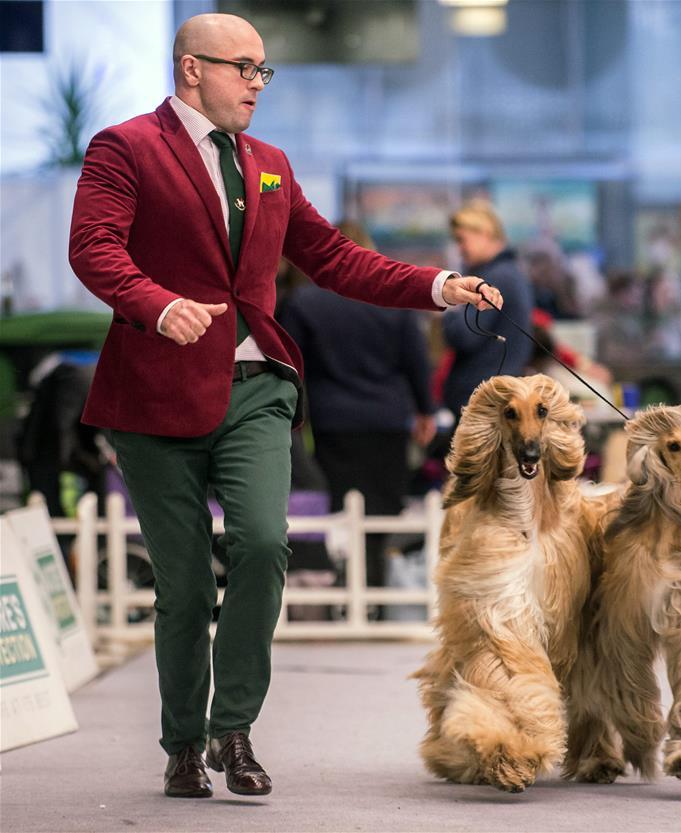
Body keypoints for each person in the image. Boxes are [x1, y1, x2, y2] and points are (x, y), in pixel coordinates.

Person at [68, 13, 502, 800]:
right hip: (154, 397)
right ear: (191, 68)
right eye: (244, 68)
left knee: (265, 544)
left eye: (265, 71)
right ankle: (183, 743)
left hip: (258, 389)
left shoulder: (270, 165)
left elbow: (334, 258)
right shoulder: (124, 147)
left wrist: (436, 286)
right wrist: (157, 304)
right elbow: (94, 246)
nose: (257, 85)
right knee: (186, 585)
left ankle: (235, 728)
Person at [278, 220, 437, 601]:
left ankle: (344, 602)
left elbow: (288, 363)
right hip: (387, 421)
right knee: (380, 518)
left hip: (334, 423)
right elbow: (417, 361)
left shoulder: (305, 302)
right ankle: (377, 599)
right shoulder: (393, 302)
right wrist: (425, 410)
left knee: (340, 515)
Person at [440, 200, 533, 418]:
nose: (459, 248)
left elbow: (464, 336)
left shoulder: (496, 278)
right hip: (493, 395)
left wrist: (449, 305)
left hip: (482, 402)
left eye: (462, 240)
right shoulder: (510, 273)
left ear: (484, 232)